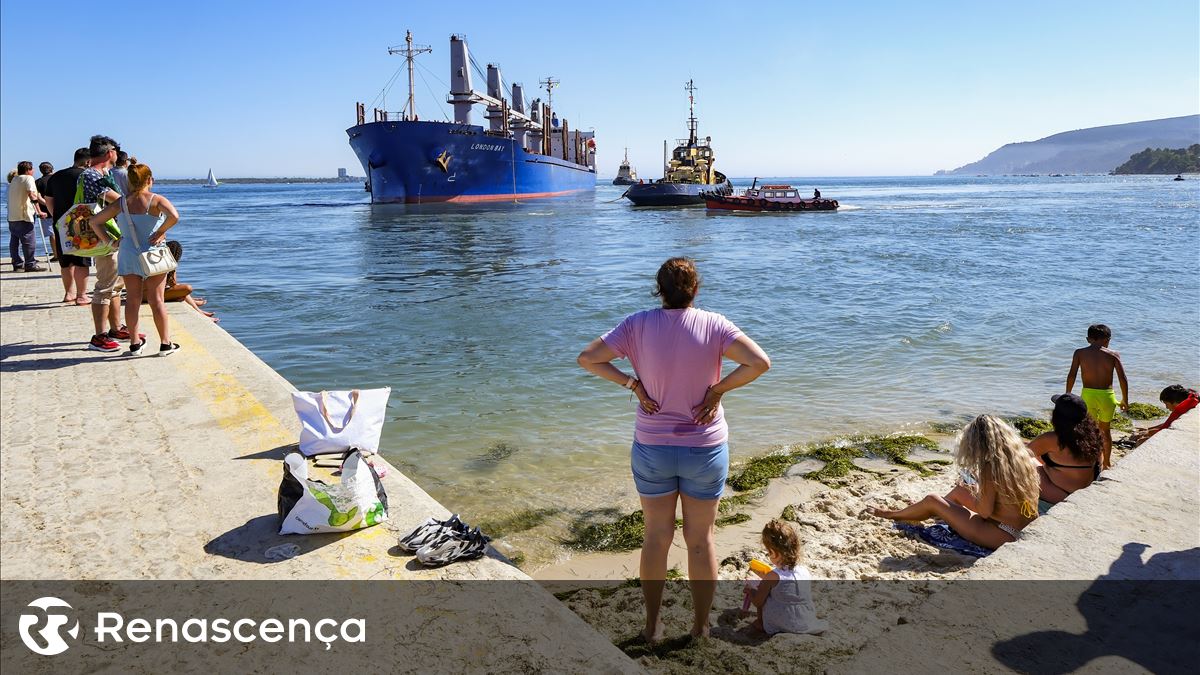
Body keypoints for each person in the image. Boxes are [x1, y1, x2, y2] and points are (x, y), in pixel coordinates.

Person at [577, 257, 771, 641]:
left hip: (652, 448)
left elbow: (588, 359)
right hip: (705, 446)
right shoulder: (715, 324)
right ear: (695, 290)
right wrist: (717, 391)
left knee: (655, 537)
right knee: (700, 541)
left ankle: (652, 626)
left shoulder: (636, 324)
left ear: (659, 290)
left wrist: (632, 385)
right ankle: (700, 628)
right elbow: (759, 363)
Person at [872, 415, 1039, 550]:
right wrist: (974, 490)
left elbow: (985, 512)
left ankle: (893, 514)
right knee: (960, 490)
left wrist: (976, 492)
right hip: (1020, 527)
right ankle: (931, 511)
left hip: (1002, 533)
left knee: (932, 499)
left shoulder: (990, 467)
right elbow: (1007, 499)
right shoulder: (1022, 457)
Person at [88, 162, 180, 356]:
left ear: (129, 181)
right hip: (154, 253)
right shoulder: (156, 200)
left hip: (128, 251)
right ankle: (165, 344)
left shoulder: (121, 202)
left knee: (132, 299)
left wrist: (111, 242)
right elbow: (174, 216)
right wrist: (161, 232)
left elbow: (95, 221)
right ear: (149, 180)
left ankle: (135, 343)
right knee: (157, 300)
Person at [80, 135, 138, 352]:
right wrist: (146, 200)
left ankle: (115, 328)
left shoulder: (101, 173)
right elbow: (117, 200)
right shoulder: (92, 175)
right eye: (116, 149)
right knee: (104, 287)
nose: (117, 152)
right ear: (108, 153)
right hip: (104, 237)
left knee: (116, 285)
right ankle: (99, 336)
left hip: (113, 236)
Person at [744, 519, 827, 636]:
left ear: (775, 553)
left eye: (769, 552)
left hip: (785, 621)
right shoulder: (803, 570)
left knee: (762, 594)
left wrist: (751, 591)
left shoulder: (772, 576)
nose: (768, 555)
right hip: (805, 620)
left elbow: (758, 602)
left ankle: (761, 623)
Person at [1065, 324, 1129, 469]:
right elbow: (1123, 378)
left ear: (1088, 339)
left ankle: (1092, 461)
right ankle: (1106, 463)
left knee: (1090, 430)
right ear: (1108, 340)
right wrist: (1125, 399)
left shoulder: (1079, 353)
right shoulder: (1113, 354)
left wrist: (1068, 393)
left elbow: (1072, 375)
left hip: (1088, 394)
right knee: (1105, 430)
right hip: (1108, 396)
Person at [1027, 394, 1103, 504]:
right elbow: (1099, 466)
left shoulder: (1052, 439)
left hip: (1060, 495)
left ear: (1057, 415)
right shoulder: (1094, 436)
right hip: (1084, 492)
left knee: (1023, 461)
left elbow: (1019, 455)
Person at [44, 148, 93, 304]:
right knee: (81, 261)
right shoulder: (86, 176)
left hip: (61, 223)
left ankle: (68, 294)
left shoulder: (56, 176)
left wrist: (58, 218)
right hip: (82, 223)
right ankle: (82, 295)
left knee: (65, 262)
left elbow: (48, 200)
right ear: (87, 161)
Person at [161, 240, 218, 322]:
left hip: (147, 294)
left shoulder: (158, 262)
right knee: (187, 288)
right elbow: (173, 283)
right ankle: (200, 313)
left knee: (181, 289)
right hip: (151, 296)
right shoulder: (169, 265)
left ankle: (199, 310)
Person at [6, 161, 46, 272]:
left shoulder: (14, 179)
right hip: (24, 215)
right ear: (29, 170)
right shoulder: (29, 178)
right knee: (28, 240)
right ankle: (30, 264)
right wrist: (39, 211)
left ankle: (17, 263)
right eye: (32, 169)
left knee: (14, 240)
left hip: (12, 215)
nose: (33, 171)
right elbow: (31, 194)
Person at [1130, 385, 1198, 446]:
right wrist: (1148, 429)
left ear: (1174, 402)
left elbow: (1165, 428)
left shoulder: (1181, 409)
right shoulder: (1190, 399)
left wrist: (1146, 433)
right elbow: (1170, 423)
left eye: (1166, 404)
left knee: (1140, 442)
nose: (1166, 407)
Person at [35, 162, 55, 259]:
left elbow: (38, 197)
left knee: (52, 233)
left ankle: (56, 254)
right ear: (52, 169)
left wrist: (48, 204)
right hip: (60, 208)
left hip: (45, 211)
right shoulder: (57, 179)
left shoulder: (38, 182)